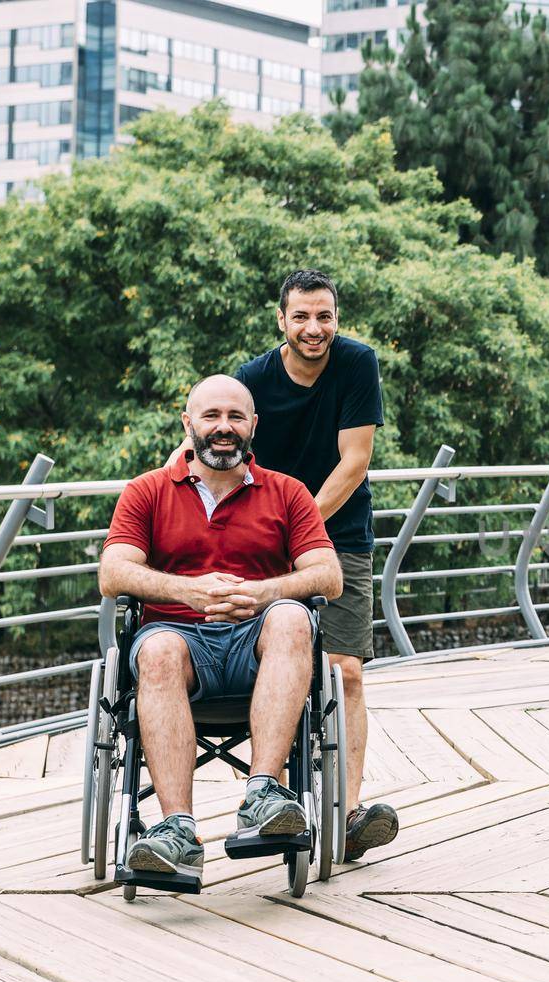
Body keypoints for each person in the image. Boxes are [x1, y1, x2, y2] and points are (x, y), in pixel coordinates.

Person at [102, 375, 343, 887]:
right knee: (159, 649)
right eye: (211, 417)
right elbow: (114, 573)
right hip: (178, 641)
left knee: (293, 616)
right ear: (189, 424)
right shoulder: (146, 491)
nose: (223, 428)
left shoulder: (287, 492)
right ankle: (176, 832)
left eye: (235, 417)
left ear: (253, 425)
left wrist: (262, 593)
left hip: (256, 643)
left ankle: (263, 796)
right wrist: (185, 591)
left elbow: (329, 576)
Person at [236, 269, 396, 862]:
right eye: (301, 317)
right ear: (281, 320)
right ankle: (270, 788)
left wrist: (299, 523)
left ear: (336, 318)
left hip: (339, 536)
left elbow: (354, 461)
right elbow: (221, 444)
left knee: (346, 670)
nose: (313, 328)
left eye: (323, 316)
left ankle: (350, 812)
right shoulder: (252, 378)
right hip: (262, 539)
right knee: (268, 659)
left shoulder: (357, 364)